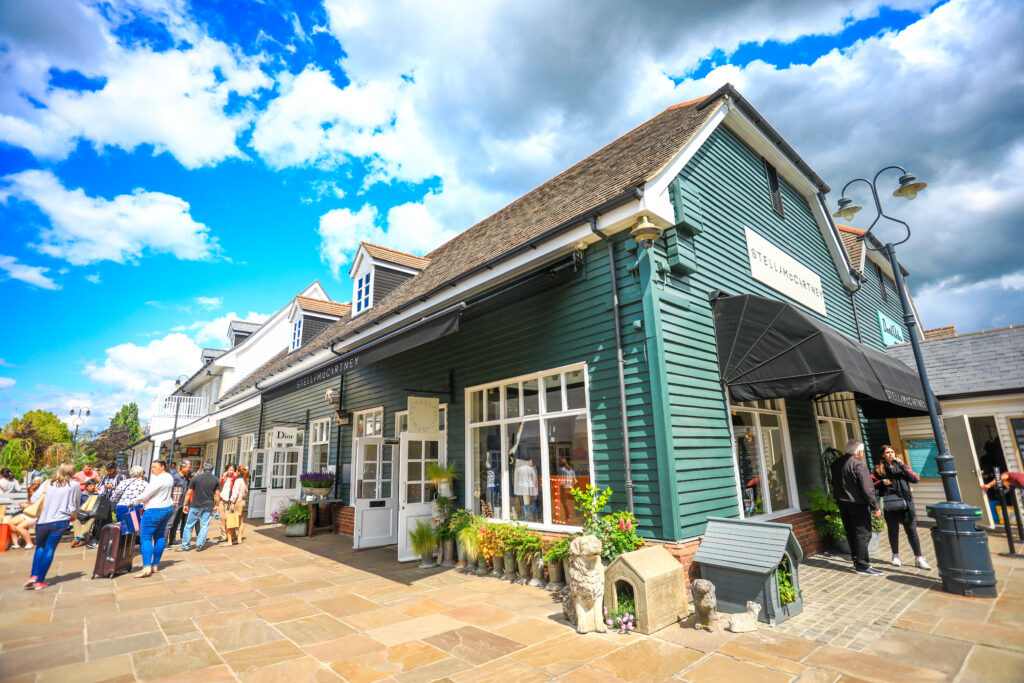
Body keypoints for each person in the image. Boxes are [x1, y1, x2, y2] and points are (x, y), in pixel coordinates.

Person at [830, 439, 883, 576]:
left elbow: (834, 484)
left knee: (851, 533)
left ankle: (856, 561)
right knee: (863, 534)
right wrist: (875, 506)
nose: (862, 454)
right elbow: (867, 489)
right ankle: (863, 566)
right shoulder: (858, 465)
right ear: (859, 452)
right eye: (862, 451)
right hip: (857, 505)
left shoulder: (836, 463)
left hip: (843, 504)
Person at [873, 445, 930, 569]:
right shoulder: (878, 469)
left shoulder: (901, 466)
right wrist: (881, 482)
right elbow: (871, 483)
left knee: (912, 530)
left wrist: (902, 465)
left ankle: (919, 557)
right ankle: (895, 556)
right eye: (887, 452)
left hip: (906, 503)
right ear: (883, 455)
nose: (890, 454)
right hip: (891, 503)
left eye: (892, 452)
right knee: (893, 530)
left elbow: (915, 479)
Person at [24, 463, 80, 590]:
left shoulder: (47, 483)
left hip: (43, 520)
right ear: (71, 472)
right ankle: (40, 581)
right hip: (60, 520)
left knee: (40, 547)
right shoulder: (74, 485)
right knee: (49, 549)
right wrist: (74, 514)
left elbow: (34, 498)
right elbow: (76, 503)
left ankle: (33, 575)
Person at [134, 460, 174, 578]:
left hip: (154, 510)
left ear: (162, 467)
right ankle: (155, 565)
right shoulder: (169, 477)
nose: (152, 469)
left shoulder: (158, 479)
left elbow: (146, 494)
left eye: (155, 467)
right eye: (151, 467)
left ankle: (146, 567)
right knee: (160, 536)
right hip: (167, 508)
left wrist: (134, 502)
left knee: (145, 538)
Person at [178, 462, 219, 552]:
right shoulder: (216, 479)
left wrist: (185, 504)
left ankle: (185, 546)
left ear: (203, 468)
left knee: (189, 525)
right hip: (208, 505)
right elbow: (217, 494)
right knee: (204, 525)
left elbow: (188, 493)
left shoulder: (196, 478)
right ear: (212, 469)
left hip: (196, 505)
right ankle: (199, 545)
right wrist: (217, 505)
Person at [111, 466, 148, 535]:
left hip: (122, 506)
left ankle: (120, 541)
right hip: (137, 507)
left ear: (130, 474)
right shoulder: (144, 483)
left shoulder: (123, 482)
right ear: (141, 474)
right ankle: (133, 540)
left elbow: (114, 497)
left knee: (121, 528)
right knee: (136, 528)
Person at [9, 476, 43, 549]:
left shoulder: (40, 498)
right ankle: (16, 543)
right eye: (29, 492)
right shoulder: (31, 498)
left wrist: (26, 506)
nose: (30, 493)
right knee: (11, 522)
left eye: (32, 491)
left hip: (35, 515)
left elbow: (37, 508)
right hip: (27, 514)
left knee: (19, 527)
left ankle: (29, 542)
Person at [166, 460, 192, 545]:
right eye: (188, 467)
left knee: (176, 523)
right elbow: (170, 490)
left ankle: (172, 540)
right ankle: (164, 542)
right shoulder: (175, 477)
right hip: (175, 503)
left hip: (182, 503)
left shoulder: (186, 477)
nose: (190, 469)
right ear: (183, 467)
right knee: (170, 523)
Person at [71, 480, 101, 548]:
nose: (92, 487)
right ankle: (81, 539)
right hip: (82, 513)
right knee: (76, 520)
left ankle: (78, 539)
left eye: (94, 486)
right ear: (86, 487)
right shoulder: (82, 495)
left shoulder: (97, 495)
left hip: (92, 514)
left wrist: (98, 492)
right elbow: (77, 504)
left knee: (90, 521)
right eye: (90, 486)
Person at [225, 466, 249, 545]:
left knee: (230, 521)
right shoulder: (245, 480)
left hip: (237, 502)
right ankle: (239, 539)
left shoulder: (238, 480)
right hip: (242, 501)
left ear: (238, 472)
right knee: (240, 522)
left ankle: (229, 541)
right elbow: (246, 492)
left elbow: (235, 493)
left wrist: (232, 503)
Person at [216, 464, 237, 543]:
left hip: (230, 500)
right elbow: (219, 485)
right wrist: (223, 477)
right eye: (229, 469)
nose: (230, 471)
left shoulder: (235, 478)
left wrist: (234, 475)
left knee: (229, 519)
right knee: (222, 518)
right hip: (222, 499)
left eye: (232, 470)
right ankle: (224, 536)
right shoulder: (225, 477)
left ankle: (233, 536)